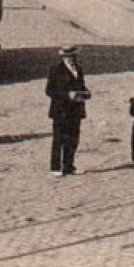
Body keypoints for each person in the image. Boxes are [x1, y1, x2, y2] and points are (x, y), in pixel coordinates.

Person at [46, 45, 91, 176]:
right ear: (63, 57)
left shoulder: (78, 69)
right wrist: (67, 94)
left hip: (76, 109)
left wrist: (85, 92)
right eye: (67, 57)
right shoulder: (55, 70)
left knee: (73, 139)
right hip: (61, 110)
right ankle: (55, 167)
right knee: (59, 139)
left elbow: (81, 85)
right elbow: (49, 90)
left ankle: (69, 166)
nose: (70, 59)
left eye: (72, 56)